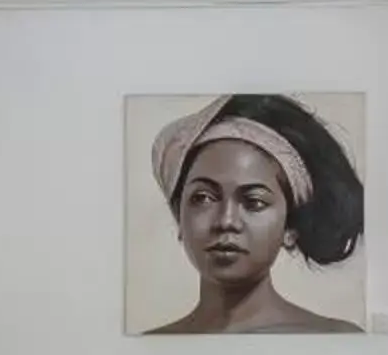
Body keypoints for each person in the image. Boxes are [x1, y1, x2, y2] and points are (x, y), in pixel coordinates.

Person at [144, 94, 364, 335]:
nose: (226, 221)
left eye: (254, 202)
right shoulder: (152, 343)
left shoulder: (334, 337)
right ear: (179, 216)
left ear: (290, 227)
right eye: (203, 198)